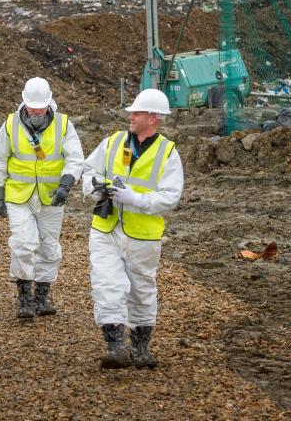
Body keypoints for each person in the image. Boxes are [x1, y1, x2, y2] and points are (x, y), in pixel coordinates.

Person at [81, 88, 184, 370]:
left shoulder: (167, 153)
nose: (131, 115)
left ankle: (140, 347)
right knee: (106, 283)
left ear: (153, 118)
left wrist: (135, 199)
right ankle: (115, 345)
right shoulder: (113, 142)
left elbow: (170, 197)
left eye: (136, 112)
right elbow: (88, 170)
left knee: (141, 288)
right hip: (106, 227)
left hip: (143, 234)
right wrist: (95, 187)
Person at [0, 77, 84, 319]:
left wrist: (66, 184)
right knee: (23, 242)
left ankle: (42, 294)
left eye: (40, 107)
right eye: (33, 107)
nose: (36, 111)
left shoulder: (64, 125)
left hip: (52, 196)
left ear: (49, 102)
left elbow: (75, 157)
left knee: (49, 246)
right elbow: (0, 159)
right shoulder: (10, 125)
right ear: (24, 103)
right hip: (18, 195)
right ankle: (24, 295)